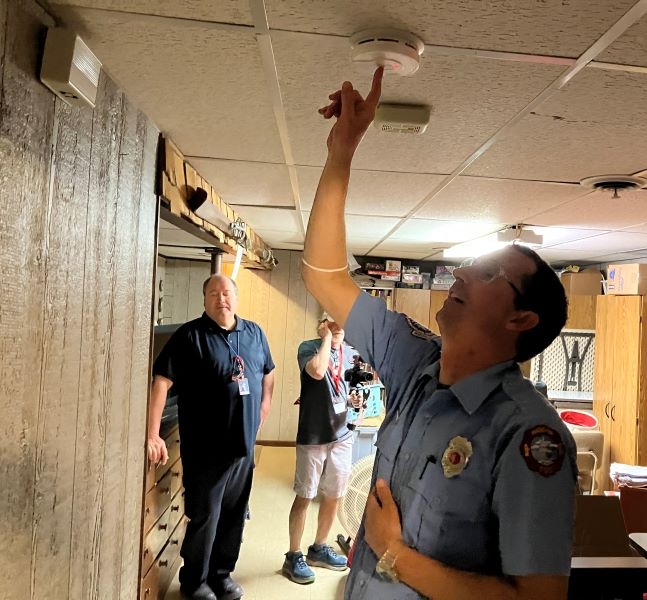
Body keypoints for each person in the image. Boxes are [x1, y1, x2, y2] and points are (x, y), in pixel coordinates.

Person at [301, 67, 577, 600]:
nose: (462, 273)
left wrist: (395, 557)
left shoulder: (526, 437)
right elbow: (323, 275)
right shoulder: (413, 361)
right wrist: (341, 153)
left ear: (521, 320)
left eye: (489, 274)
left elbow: (539, 596)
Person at [147, 274, 275, 600]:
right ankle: (194, 582)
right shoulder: (190, 336)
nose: (222, 299)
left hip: (243, 448)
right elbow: (161, 381)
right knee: (205, 517)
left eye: (227, 293)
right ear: (204, 299)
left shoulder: (255, 333)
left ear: (236, 297)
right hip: (206, 449)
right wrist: (152, 433)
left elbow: (268, 372)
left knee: (234, 515)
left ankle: (221, 575)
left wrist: (264, 407)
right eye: (214, 294)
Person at [282, 313, 363, 584]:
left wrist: (354, 401)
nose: (338, 324)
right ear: (323, 322)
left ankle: (319, 548)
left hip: (342, 434)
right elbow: (317, 372)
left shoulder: (352, 353)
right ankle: (293, 555)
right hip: (313, 435)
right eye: (332, 319)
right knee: (305, 494)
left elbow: (349, 388)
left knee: (335, 494)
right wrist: (327, 338)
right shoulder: (309, 347)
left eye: (342, 319)